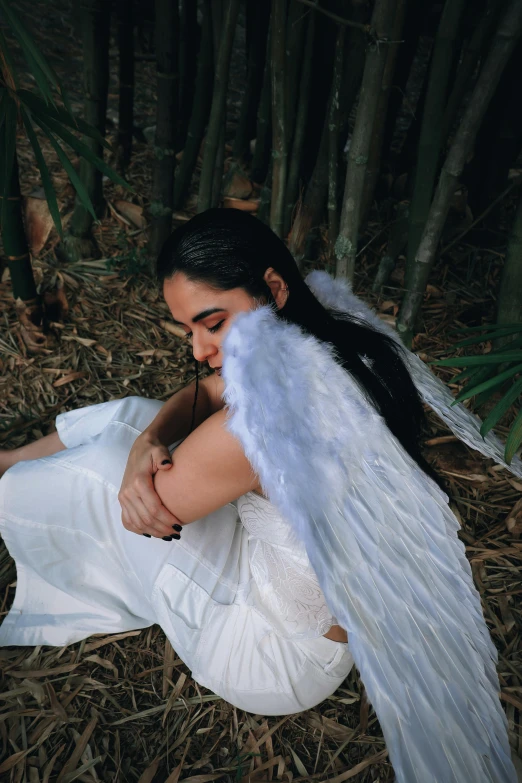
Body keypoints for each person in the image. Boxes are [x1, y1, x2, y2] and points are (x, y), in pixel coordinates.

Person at [0, 208, 519, 782]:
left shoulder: (262, 426)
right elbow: (204, 390)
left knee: (102, 476)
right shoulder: (336, 334)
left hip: (266, 658)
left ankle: (7, 489)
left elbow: (150, 513)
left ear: (272, 287)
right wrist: (149, 438)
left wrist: (130, 467)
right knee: (139, 423)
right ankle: (8, 465)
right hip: (318, 625)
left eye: (212, 323)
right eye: (189, 330)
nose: (199, 348)